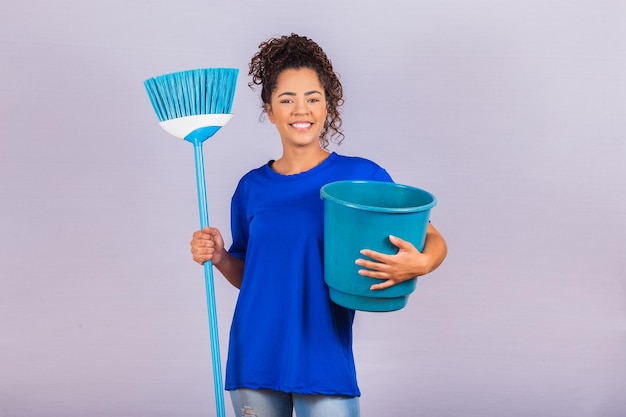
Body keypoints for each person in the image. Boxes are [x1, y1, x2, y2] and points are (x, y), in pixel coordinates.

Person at [190, 33, 447, 417]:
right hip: (254, 357)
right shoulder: (251, 189)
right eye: (287, 99)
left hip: (323, 359)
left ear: (327, 106)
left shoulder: (360, 178)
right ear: (270, 109)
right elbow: (253, 274)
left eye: (312, 98)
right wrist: (221, 257)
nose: (301, 110)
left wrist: (421, 264)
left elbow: (431, 236)